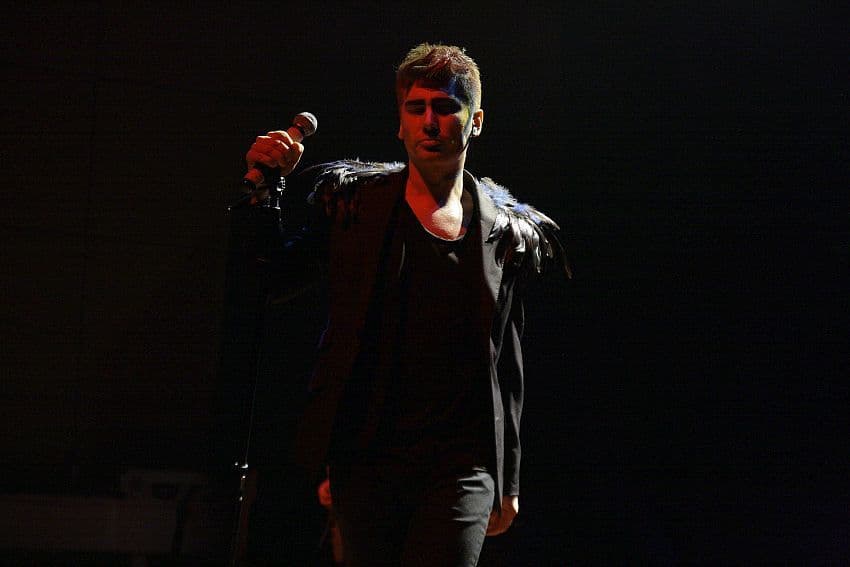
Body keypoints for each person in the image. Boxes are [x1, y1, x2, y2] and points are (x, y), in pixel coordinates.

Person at [243, 43, 568, 567]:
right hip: (366, 455)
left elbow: (505, 360)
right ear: (400, 122)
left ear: (475, 121)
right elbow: (274, 278)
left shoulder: (504, 232)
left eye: (446, 107)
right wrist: (266, 191)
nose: (430, 122)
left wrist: (508, 476)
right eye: (416, 109)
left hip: (461, 463)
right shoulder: (355, 204)